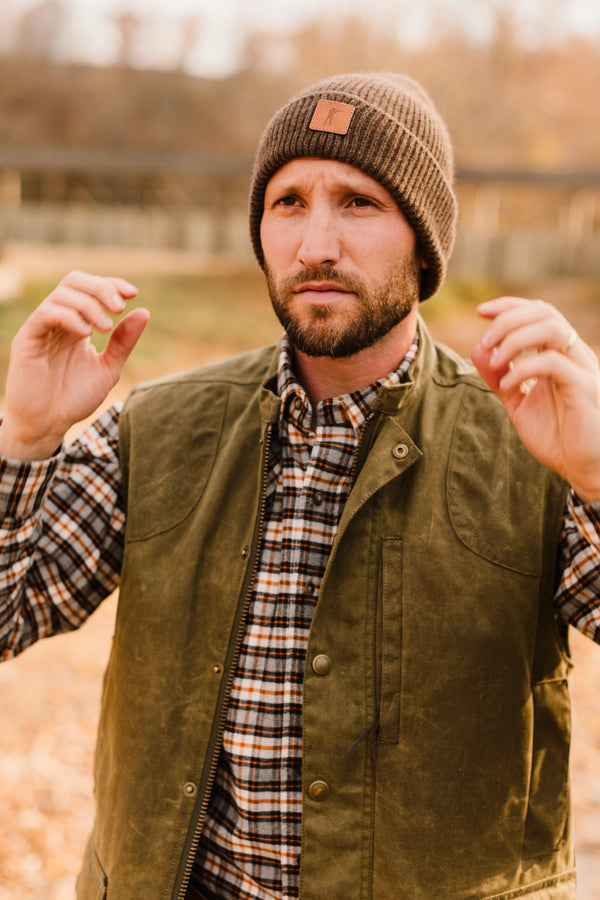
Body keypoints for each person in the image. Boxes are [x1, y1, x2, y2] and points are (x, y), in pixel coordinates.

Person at [1, 73, 600, 900]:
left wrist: (599, 475)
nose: (316, 242)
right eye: (288, 203)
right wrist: (25, 438)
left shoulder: (536, 441)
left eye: (358, 202)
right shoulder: (159, 427)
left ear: (424, 244)